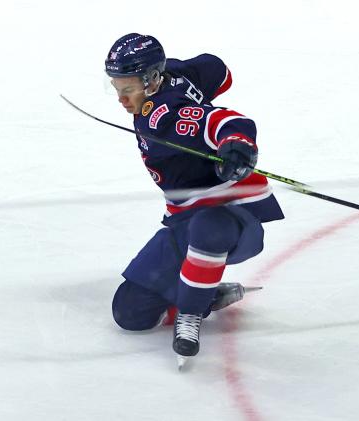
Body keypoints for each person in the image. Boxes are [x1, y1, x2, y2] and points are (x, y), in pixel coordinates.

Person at [105, 33, 284, 366]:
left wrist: (236, 143)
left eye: (127, 89)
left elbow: (227, 121)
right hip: (183, 220)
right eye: (116, 87)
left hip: (232, 214)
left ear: (151, 79)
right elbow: (220, 70)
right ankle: (206, 289)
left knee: (210, 227)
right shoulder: (176, 72)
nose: (121, 99)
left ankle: (192, 309)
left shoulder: (165, 117)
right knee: (129, 313)